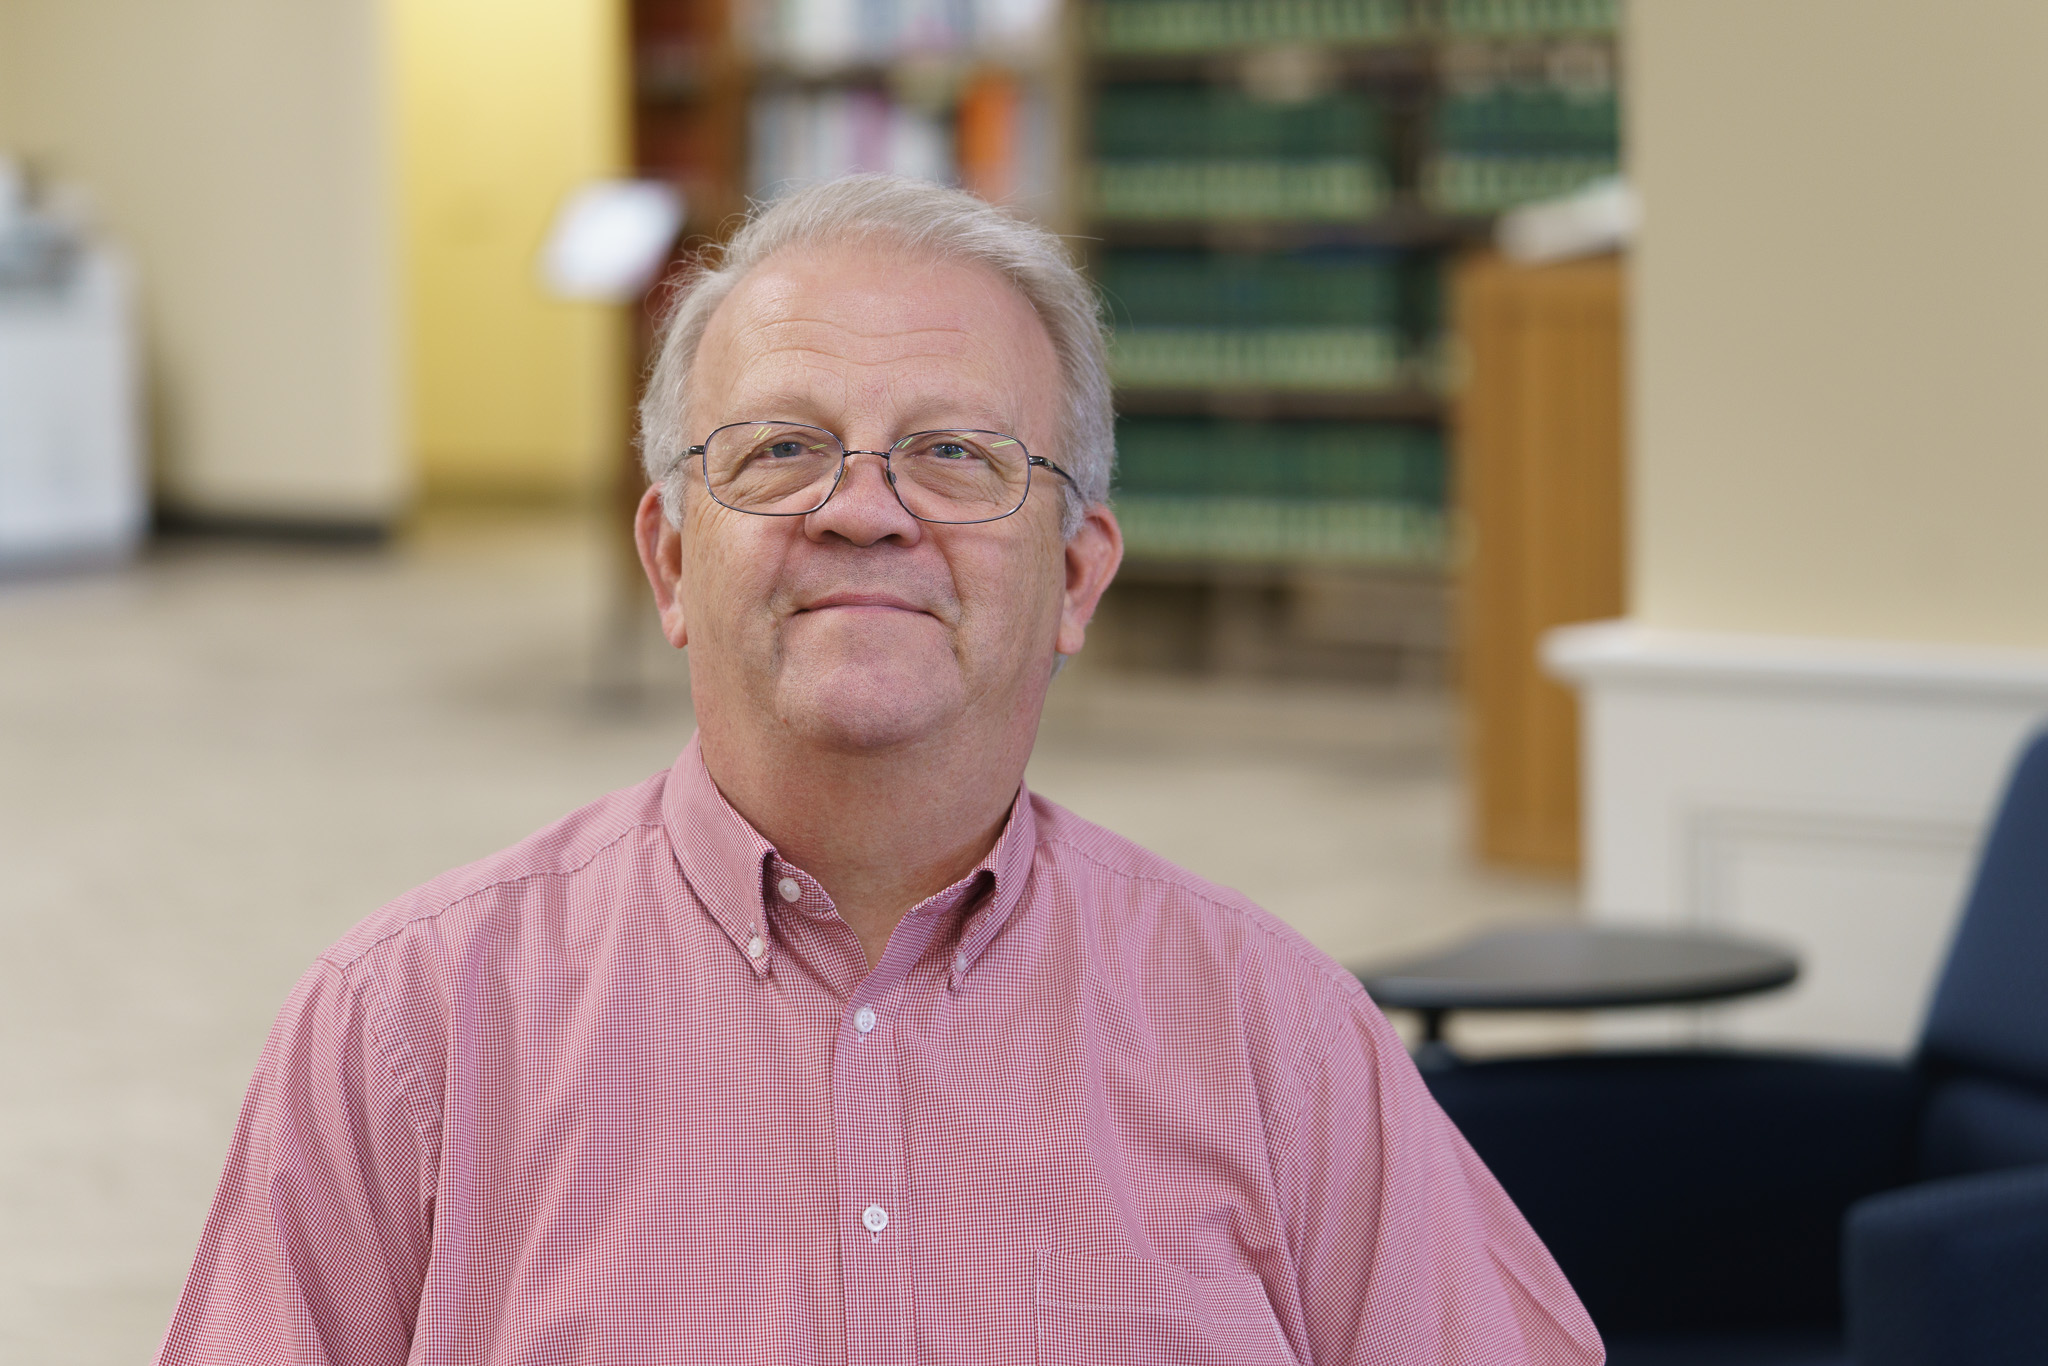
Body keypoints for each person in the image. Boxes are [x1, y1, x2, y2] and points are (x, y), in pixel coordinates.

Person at [157, 175, 1601, 1366]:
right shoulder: (408, 1034)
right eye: (784, 449)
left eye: (956, 454)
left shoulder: (1284, 1047)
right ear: (669, 558)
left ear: (1077, 574)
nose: (864, 511)